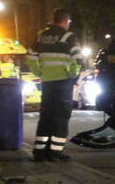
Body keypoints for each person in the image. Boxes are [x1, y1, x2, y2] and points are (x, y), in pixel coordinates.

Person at [29, 8, 82, 162]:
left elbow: (30, 55)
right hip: (62, 82)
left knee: (46, 115)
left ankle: (39, 151)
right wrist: (72, 74)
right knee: (61, 116)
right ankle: (55, 152)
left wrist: (39, 72)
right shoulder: (68, 36)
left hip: (47, 82)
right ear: (65, 21)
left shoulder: (42, 36)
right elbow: (78, 58)